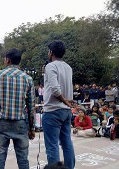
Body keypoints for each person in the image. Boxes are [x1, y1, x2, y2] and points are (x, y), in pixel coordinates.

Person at [0, 48, 35, 169]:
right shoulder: (28, 79)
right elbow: (31, 106)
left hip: (2, 122)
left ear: (7, 60)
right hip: (20, 124)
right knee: (23, 160)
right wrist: (32, 128)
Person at [42, 40, 75, 169]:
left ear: (51, 52)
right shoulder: (68, 67)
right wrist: (66, 102)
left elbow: (55, 90)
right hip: (66, 111)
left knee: (52, 145)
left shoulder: (51, 66)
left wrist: (63, 100)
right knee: (67, 143)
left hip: (52, 110)